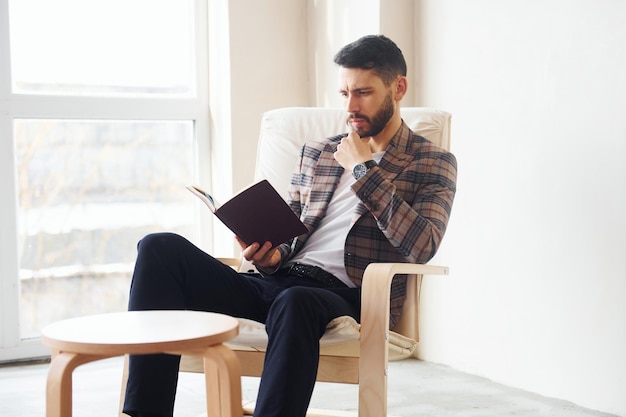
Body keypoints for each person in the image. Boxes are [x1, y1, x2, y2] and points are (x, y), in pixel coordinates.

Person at [123, 34, 457, 417]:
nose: (350, 106)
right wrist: (270, 255)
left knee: (295, 300)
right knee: (158, 248)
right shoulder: (318, 152)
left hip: (344, 297)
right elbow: (295, 230)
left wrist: (363, 170)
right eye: (344, 92)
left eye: (363, 92)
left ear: (398, 88)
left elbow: (423, 244)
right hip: (275, 283)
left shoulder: (432, 162)